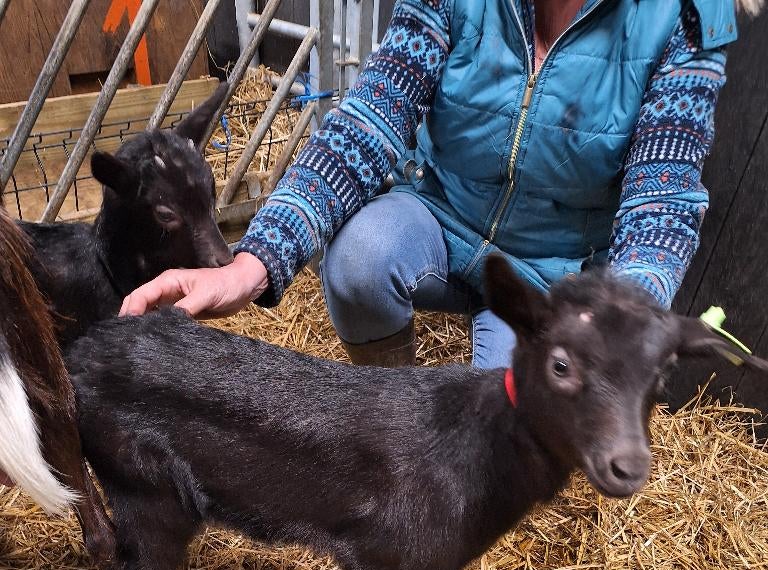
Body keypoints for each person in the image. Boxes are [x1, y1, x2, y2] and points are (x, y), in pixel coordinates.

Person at [121, 0, 756, 368]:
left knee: (498, 441)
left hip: (555, 268)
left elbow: (662, 196)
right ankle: (390, 409)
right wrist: (252, 264)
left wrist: (621, 310)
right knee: (361, 260)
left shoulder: (685, 17)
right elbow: (374, 116)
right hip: (444, 216)